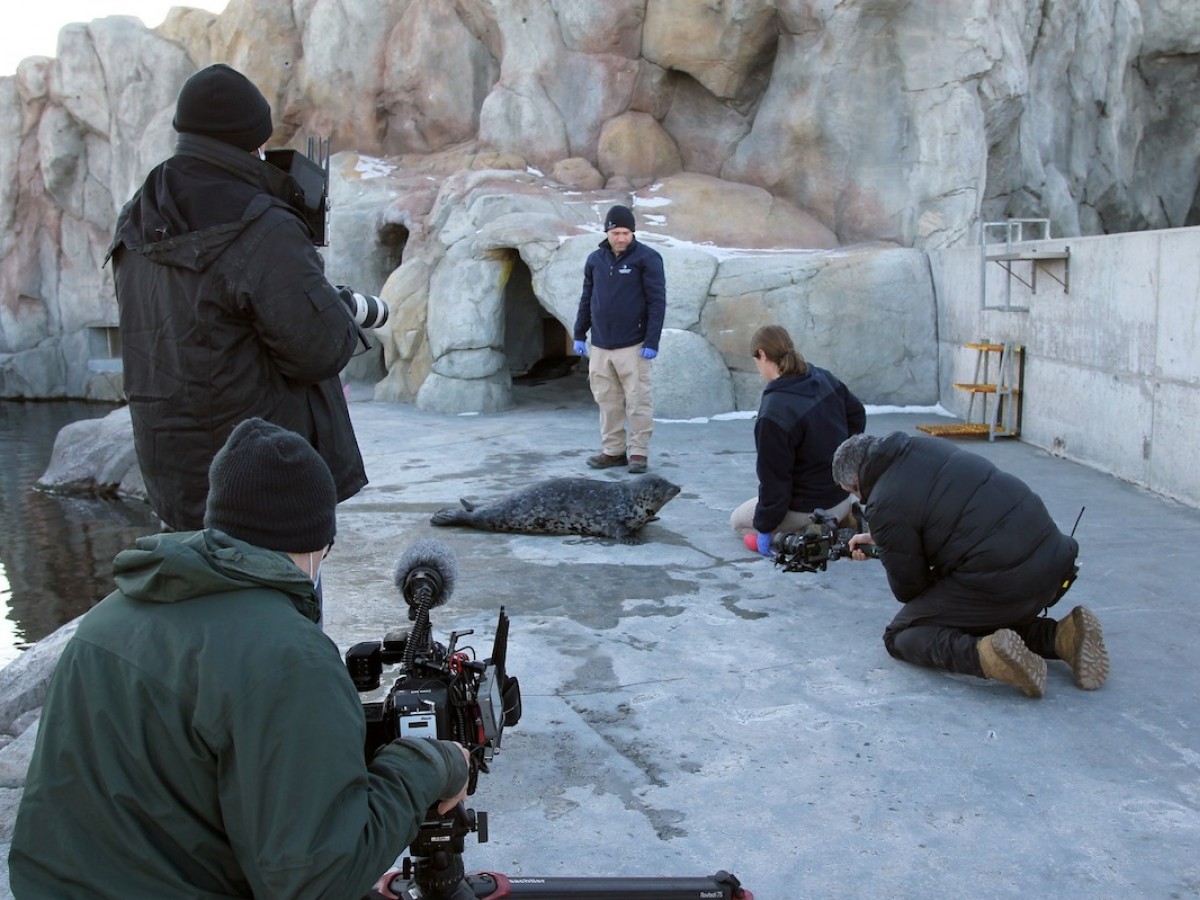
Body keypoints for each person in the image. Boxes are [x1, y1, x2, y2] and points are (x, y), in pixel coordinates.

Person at [9, 418, 470, 898]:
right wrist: (427, 766)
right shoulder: (290, 656)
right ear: (319, 542)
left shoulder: (110, 614)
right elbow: (316, 881)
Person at [108, 63, 368, 532]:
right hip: (262, 487)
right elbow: (320, 349)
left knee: (207, 604)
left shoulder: (139, 215)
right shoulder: (262, 225)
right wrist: (335, 305)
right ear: (257, 143)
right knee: (285, 605)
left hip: (178, 485)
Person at [832, 431, 1109, 698]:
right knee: (972, 606)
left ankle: (990, 656)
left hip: (1008, 580)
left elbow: (911, 590)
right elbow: (941, 516)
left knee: (902, 634)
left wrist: (890, 547)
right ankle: (1062, 636)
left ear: (857, 479)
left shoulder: (884, 502)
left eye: (855, 494)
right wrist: (886, 541)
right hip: (1051, 560)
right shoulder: (923, 448)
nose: (861, 500)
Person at [732, 325, 866, 556]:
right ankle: (842, 518)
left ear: (762, 355)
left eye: (756, 360)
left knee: (738, 520)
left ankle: (805, 535)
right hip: (843, 495)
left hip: (808, 507)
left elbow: (775, 482)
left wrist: (765, 528)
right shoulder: (823, 376)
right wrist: (842, 459)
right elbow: (857, 415)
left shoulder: (774, 412)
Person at [573, 204, 667, 475]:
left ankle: (638, 452)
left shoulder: (648, 259)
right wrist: (580, 333)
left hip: (634, 345)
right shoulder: (595, 260)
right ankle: (613, 451)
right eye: (616, 232)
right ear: (608, 232)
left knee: (638, 400)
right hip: (601, 346)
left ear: (633, 232)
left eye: (626, 232)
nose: (622, 238)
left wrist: (652, 341)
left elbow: (657, 302)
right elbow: (587, 298)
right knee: (607, 400)